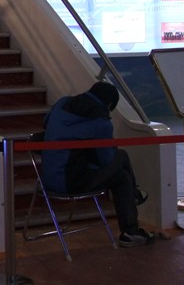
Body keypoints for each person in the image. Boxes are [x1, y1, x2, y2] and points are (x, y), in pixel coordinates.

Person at [41, 81, 155, 247]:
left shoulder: (62, 103)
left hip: (47, 176)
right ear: (108, 105)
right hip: (70, 182)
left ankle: (132, 220)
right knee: (121, 157)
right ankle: (131, 222)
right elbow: (107, 160)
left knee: (122, 176)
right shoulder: (101, 123)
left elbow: (45, 123)